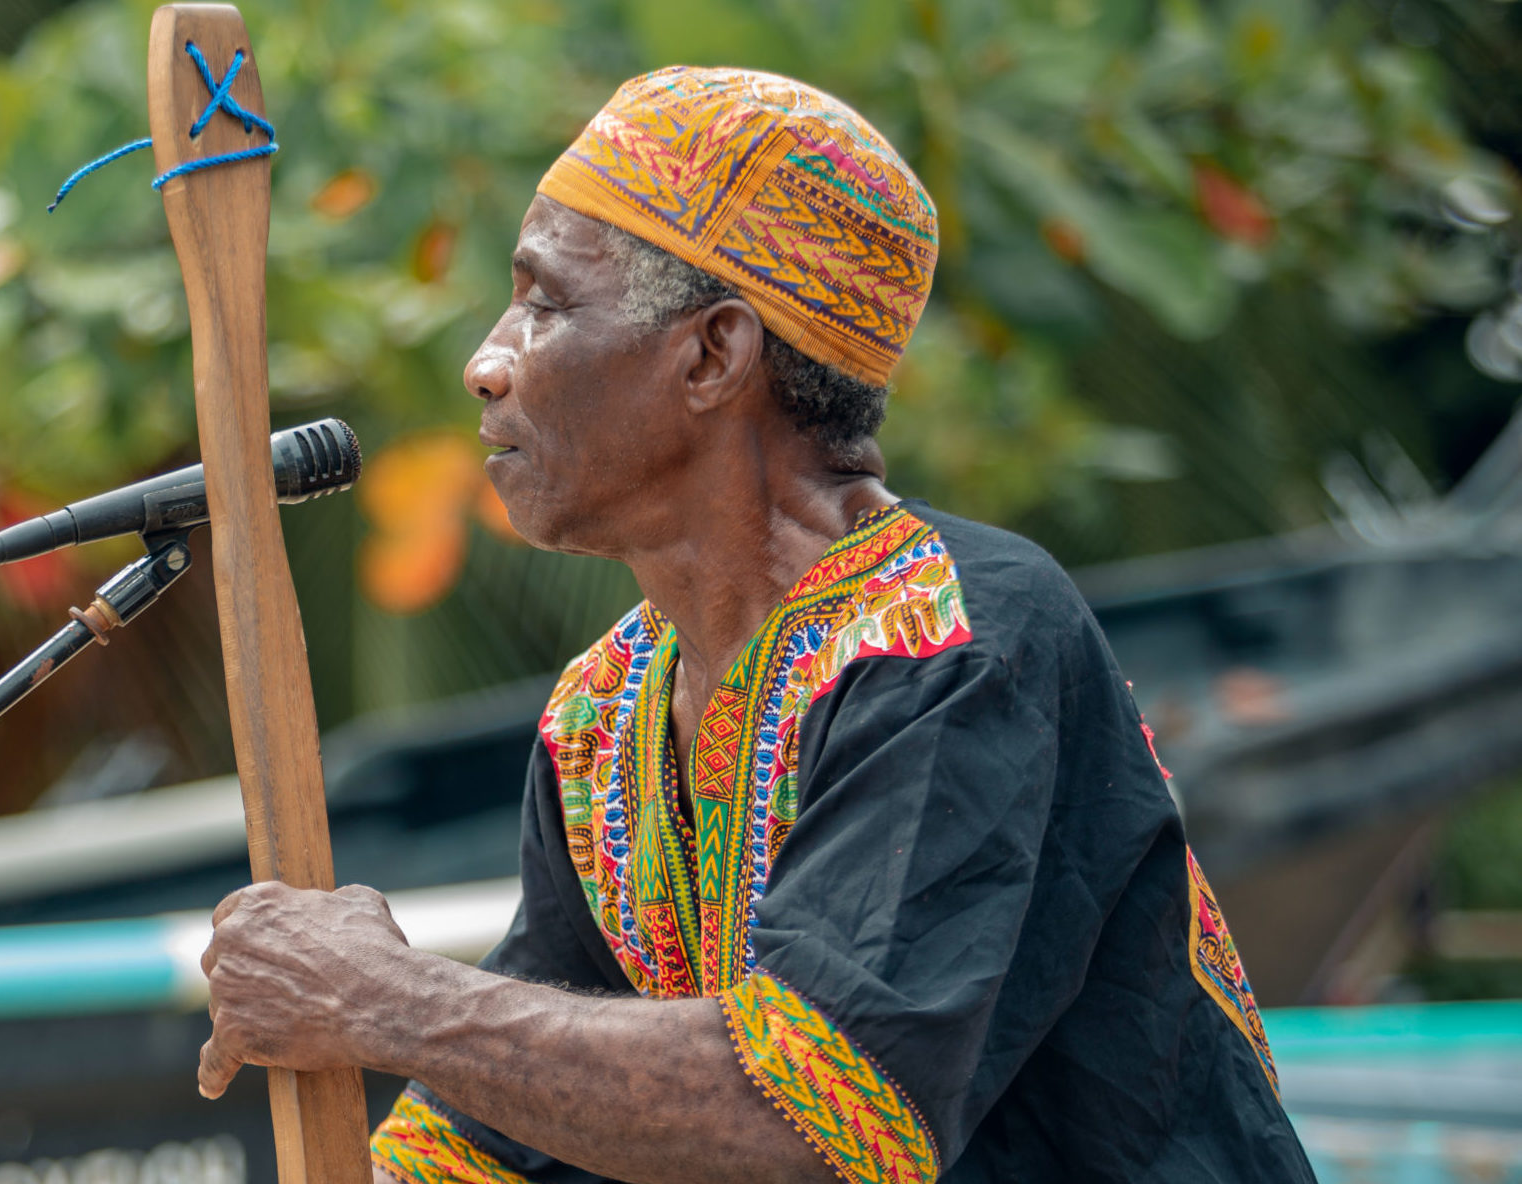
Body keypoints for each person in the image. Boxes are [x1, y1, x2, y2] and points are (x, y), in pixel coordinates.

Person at [192, 67, 1314, 1184]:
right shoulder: (604, 713)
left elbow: (808, 1118)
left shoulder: (951, 638)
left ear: (713, 355)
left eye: (543, 302)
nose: (485, 363)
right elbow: (486, 1140)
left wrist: (377, 998)